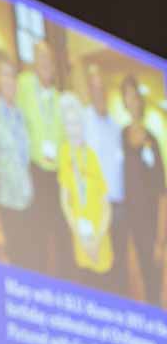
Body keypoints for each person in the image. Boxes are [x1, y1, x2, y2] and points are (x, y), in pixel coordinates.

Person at [16, 40, 67, 276]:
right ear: (34, 62)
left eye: (49, 59)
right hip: (32, 167)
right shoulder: (24, 84)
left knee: (58, 230)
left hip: (56, 174)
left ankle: (56, 279)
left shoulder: (60, 98)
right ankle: (34, 276)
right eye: (40, 58)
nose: (45, 63)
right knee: (34, 229)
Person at [0, 51, 34, 266]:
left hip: (27, 204)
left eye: (13, 75)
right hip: (4, 207)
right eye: (4, 75)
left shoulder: (20, 114)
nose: (10, 81)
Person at [120, 76, 167, 304]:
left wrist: (160, 239)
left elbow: (162, 193)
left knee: (153, 282)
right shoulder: (120, 137)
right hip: (128, 222)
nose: (132, 100)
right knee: (132, 283)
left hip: (150, 226)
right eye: (126, 95)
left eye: (134, 94)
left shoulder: (153, 141)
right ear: (124, 102)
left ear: (140, 100)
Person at [56, 95, 113, 281]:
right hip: (79, 241)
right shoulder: (64, 153)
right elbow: (65, 203)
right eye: (69, 124)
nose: (74, 129)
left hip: (101, 241)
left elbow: (106, 204)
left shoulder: (92, 155)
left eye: (77, 123)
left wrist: (96, 240)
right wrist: (81, 238)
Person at [81, 64, 126, 293]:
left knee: (118, 265)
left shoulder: (117, 128)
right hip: (94, 208)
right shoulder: (83, 121)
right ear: (89, 92)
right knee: (95, 266)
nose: (99, 94)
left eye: (102, 90)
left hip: (118, 208)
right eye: (94, 89)